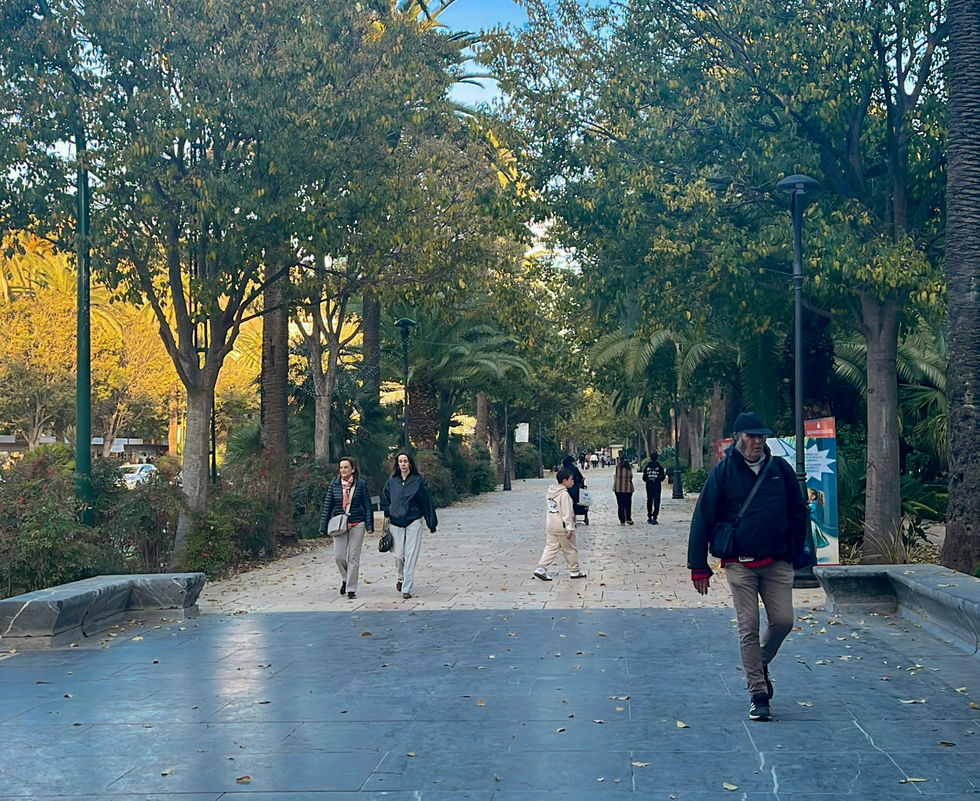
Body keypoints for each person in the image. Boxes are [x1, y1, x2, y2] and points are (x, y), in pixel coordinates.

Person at [687, 412, 808, 722]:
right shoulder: (723, 473)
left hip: (777, 562)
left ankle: (759, 663)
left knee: (783, 621)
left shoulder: (779, 469)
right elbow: (703, 519)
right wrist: (698, 566)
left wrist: (796, 552)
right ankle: (758, 692)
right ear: (737, 437)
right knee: (748, 625)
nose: (757, 441)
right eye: (752, 436)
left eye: (762, 436)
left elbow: (798, 512)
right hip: (740, 564)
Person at [381, 451, 438, 600]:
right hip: (396, 522)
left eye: (405, 461)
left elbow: (426, 502)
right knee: (399, 554)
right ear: (397, 464)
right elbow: (385, 498)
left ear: (410, 463)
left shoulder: (418, 481)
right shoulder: (392, 482)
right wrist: (388, 511)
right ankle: (400, 576)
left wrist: (431, 522)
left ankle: (407, 587)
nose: (403, 464)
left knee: (411, 554)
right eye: (400, 461)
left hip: (413, 521)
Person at [318, 456, 374, 600]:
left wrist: (369, 525)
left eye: (346, 467)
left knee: (353, 557)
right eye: (341, 467)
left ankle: (351, 589)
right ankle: (345, 578)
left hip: (357, 523)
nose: (343, 470)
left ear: (353, 469)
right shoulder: (334, 484)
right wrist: (323, 526)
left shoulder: (360, 484)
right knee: (339, 557)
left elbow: (367, 505)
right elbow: (327, 505)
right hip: (339, 524)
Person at [533, 468, 587, 581]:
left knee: (550, 548)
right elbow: (567, 512)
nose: (573, 482)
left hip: (551, 525)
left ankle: (541, 568)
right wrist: (570, 527)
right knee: (570, 549)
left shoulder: (551, 492)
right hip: (562, 526)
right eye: (571, 480)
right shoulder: (564, 495)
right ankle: (574, 570)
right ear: (564, 480)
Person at [560, 454, 589, 525]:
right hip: (575, 488)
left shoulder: (563, 470)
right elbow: (581, 477)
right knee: (575, 501)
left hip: (564, 489)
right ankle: (577, 512)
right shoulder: (574, 469)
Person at [641, 452, 666, 524]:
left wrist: (649, 481)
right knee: (656, 501)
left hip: (649, 486)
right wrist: (657, 480)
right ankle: (655, 515)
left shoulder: (647, 467)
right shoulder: (659, 467)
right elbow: (662, 476)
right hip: (657, 486)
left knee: (649, 500)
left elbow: (644, 477)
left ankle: (649, 515)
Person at [613, 450, 634, 525]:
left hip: (618, 488)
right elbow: (631, 476)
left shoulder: (617, 467)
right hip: (627, 488)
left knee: (620, 504)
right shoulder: (628, 468)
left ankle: (622, 520)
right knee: (628, 504)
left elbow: (615, 476)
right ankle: (628, 518)